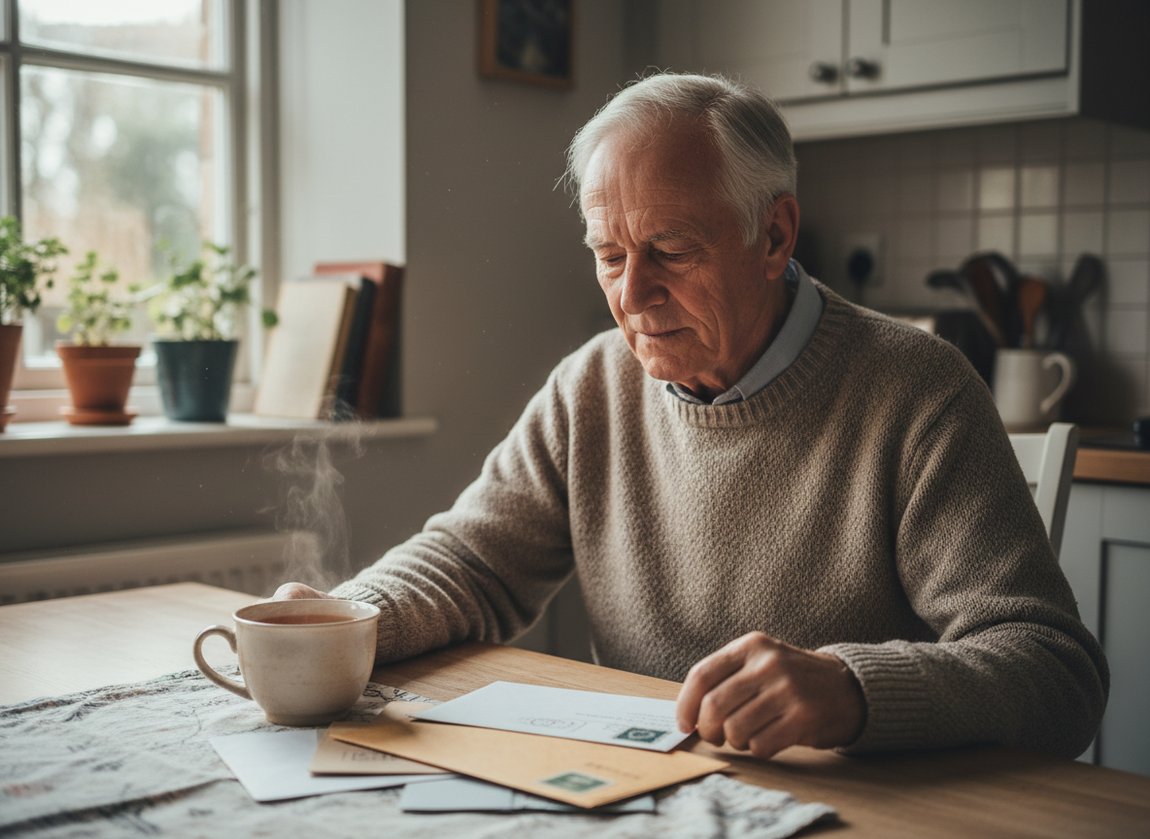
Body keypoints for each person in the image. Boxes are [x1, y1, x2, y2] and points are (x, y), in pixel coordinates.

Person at [276, 72, 1107, 760]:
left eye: (670, 251)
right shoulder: (593, 386)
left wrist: (854, 690)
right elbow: (471, 561)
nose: (631, 297)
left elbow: (1058, 672)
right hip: (648, 796)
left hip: (856, 806)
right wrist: (343, 623)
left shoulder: (918, 390)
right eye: (610, 256)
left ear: (774, 235)